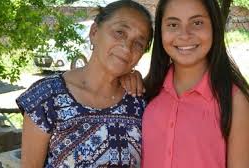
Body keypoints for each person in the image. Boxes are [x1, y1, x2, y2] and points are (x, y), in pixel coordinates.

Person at [16, 0, 153, 167]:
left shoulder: (141, 101)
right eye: (120, 32)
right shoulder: (46, 97)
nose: (127, 47)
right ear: (94, 32)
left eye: (138, 43)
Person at [122, 0, 249, 167]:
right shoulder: (146, 91)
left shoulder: (235, 102)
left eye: (197, 23)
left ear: (214, 27)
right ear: (161, 32)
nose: (185, 35)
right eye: (173, 24)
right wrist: (125, 78)